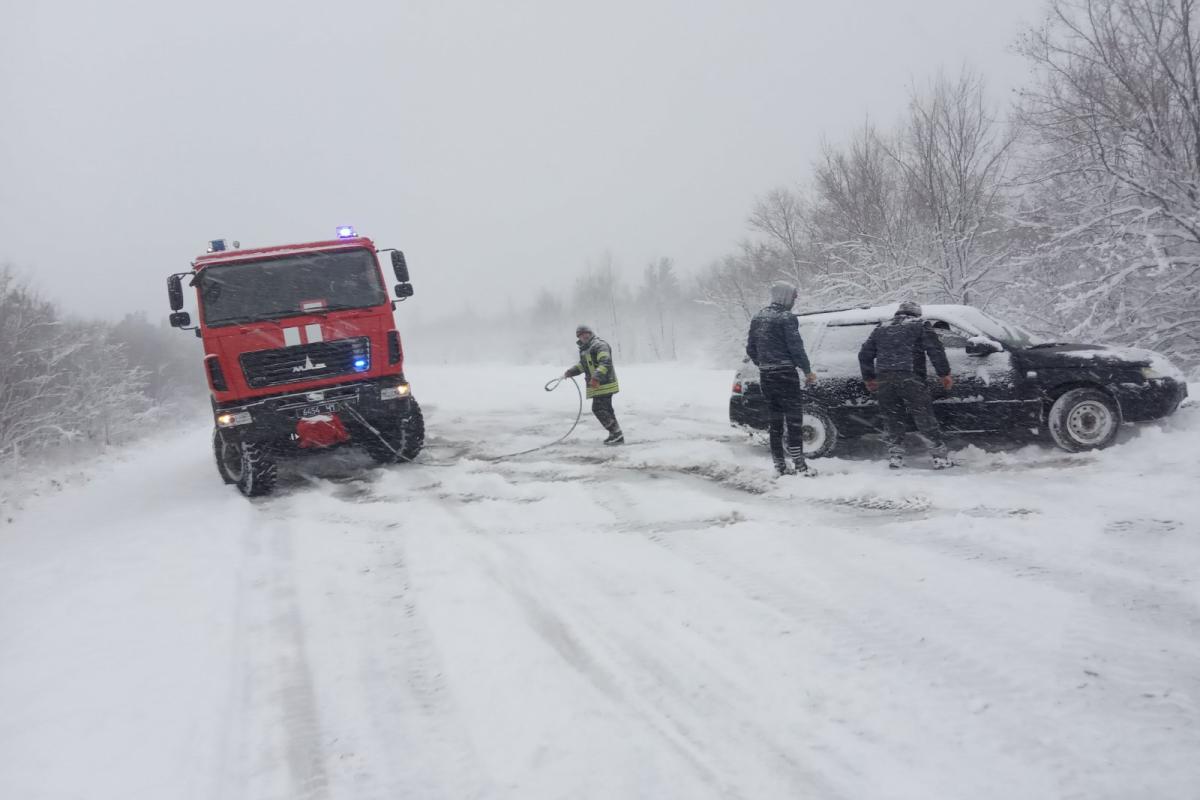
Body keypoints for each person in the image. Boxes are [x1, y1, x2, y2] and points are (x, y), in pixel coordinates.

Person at [857, 301, 955, 469]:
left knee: (892, 417)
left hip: (885, 379)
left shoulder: (882, 327)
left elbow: (864, 354)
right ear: (917, 313)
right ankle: (939, 457)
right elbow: (935, 350)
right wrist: (944, 374)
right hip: (911, 377)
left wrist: (869, 378)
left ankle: (895, 456)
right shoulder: (920, 325)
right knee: (923, 416)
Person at [746, 282, 819, 476]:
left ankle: (779, 464)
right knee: (794, 419)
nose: (794, 301)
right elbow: (796, 347)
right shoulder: (786, 318)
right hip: (786, 375)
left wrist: (764, 364)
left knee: (775, 420)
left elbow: (751, 348)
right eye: (793, 297)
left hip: (767, 377)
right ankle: (799, 465)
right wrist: (807, 370)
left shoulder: (758, 317)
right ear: (785, 297)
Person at [563, 324, 623, 445]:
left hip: (605, 384)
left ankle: (616, 433)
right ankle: (615, 434)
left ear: (590, 333)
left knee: (598, 409)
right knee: (606, 410)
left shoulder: (599, 345)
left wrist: (596, 377)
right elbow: (583, 365)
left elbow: (605, 362)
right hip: (597, 386)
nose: (583, 336)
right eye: (580, 335)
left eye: (585, 333)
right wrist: (571, 372)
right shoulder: (585, 349)